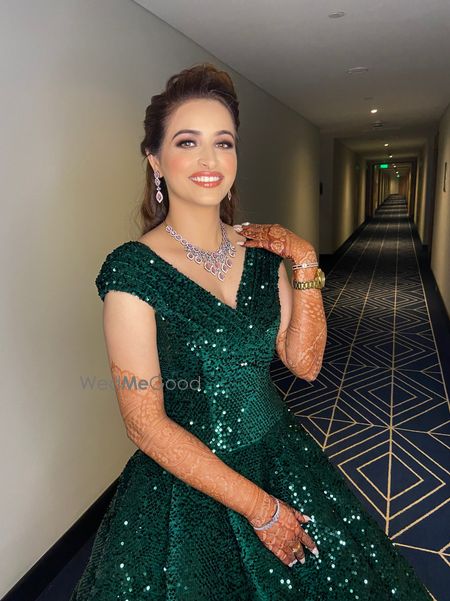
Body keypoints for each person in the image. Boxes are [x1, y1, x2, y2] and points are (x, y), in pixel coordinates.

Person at [70, 63, 432, 600]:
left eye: (224, 142)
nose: (210, 160)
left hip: (279, 451)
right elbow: (144, 424)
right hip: (188, 485)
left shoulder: (262, 254)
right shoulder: (133, 271)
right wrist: (261, 510)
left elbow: (304, 364)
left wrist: (304, 261)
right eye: (187, 142)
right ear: (155, 160)